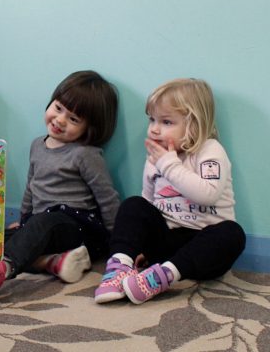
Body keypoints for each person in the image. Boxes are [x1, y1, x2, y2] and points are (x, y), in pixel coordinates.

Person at [0, 70, 121, 298]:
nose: (59, 120)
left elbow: (106, 197)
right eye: (58, 108)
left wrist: (116, 244)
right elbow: (31, 186)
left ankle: (2, 269)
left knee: (39, 227)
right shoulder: (38, 145)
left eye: (73, 119)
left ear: (90, 129)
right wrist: (23, 222)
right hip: (42, 225)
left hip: (75, 225)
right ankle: (53, 262)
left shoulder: (85, 154)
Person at [94, 78, 246, 305]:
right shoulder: (156, 157)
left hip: (202, 247)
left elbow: (207, 194)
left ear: (194, 124)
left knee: (233, 234)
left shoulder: (210, 151)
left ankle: (163, 277)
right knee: (134, 204)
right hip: (166, 240)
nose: (154, 128)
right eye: (152, 119)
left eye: (166, 122)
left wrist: (169, 164)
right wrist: (140, 244)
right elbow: (148, 202)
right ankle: (119, 267)